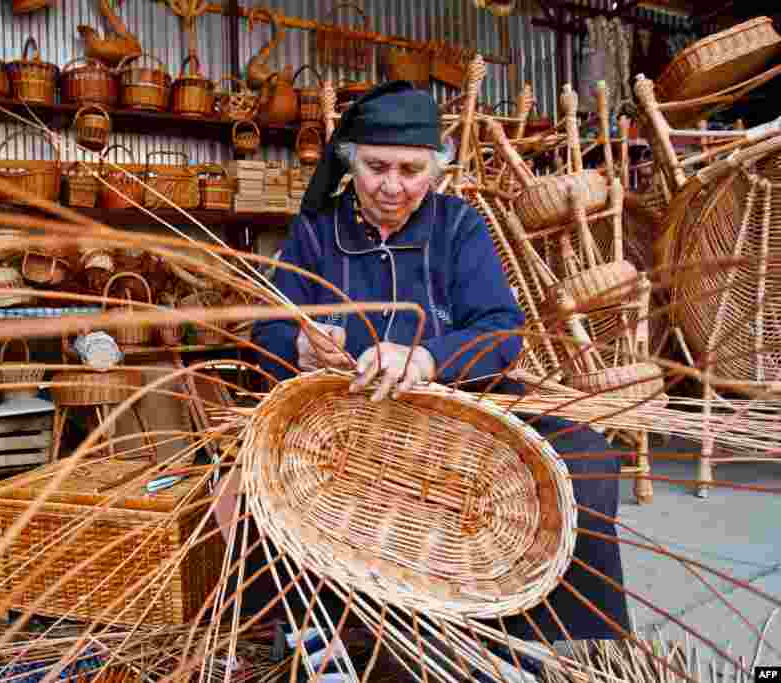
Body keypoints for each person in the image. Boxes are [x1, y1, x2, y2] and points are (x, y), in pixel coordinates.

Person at [238, 81, 630, 674]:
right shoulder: (318, 233)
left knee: (586, 458)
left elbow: (502, 331)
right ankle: (316, 628)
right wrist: (299, 345)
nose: (392, 185)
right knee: (241, 480)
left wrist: (427, 360)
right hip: (345, 422)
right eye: (376, 167)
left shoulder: (456, 227)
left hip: (459, 410)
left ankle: (511, 634)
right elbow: (263, 330)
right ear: (351, 162)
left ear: (436, 170)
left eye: (410, 169)